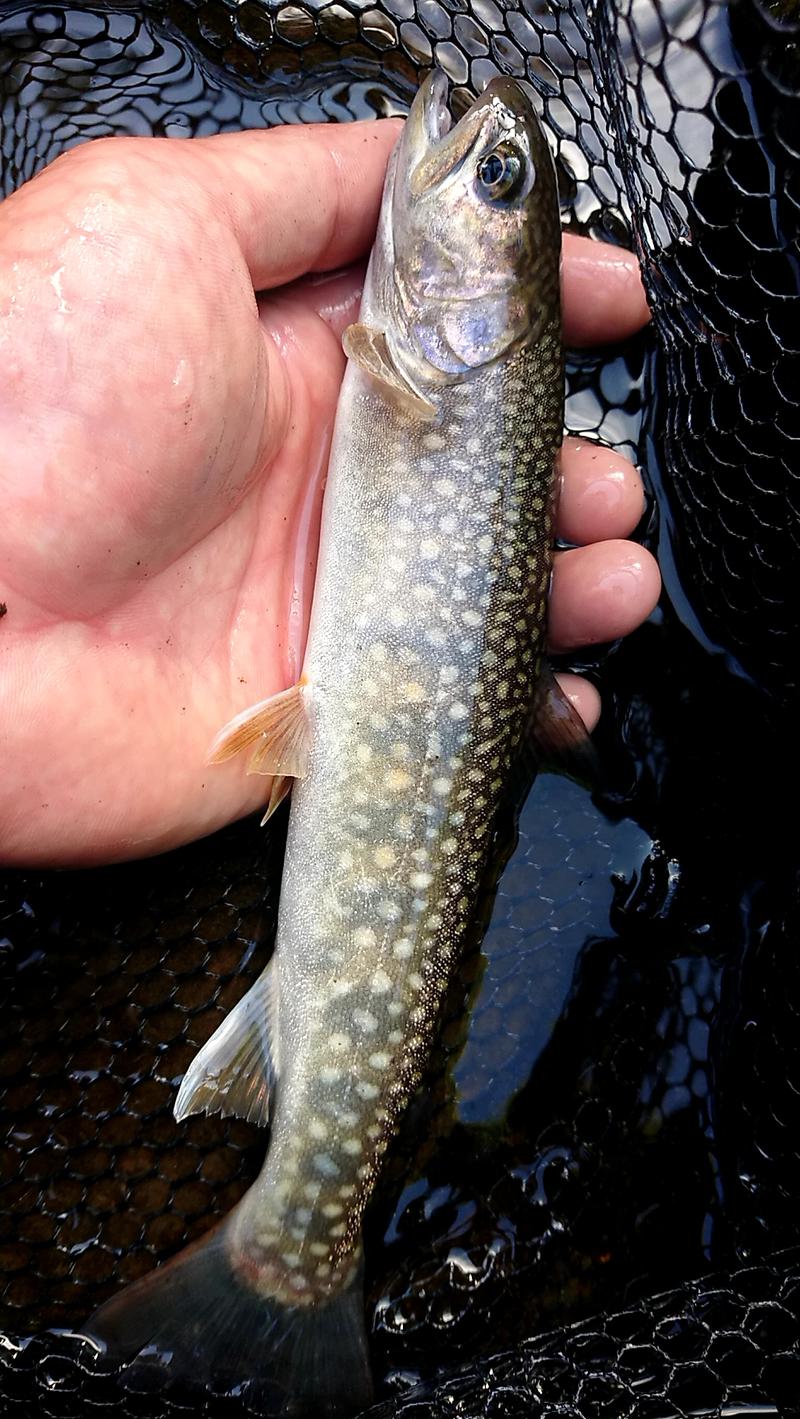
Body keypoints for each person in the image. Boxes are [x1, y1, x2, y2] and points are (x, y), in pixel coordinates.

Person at [0, 119, 660, 868]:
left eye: (493, 179)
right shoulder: (438, 372)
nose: (480, 152)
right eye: (498, 176)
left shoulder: (446, 377)